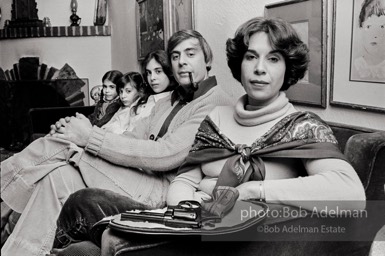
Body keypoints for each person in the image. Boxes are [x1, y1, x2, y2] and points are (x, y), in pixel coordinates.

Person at [0, 29, 232, 256]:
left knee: (62, 145)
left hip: (161, 189)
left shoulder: (214, 102)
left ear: (207, 59)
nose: (182, 61)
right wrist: (80, 135)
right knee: (57, 176)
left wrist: (89, 137)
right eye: (175, 56)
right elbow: (131, 138)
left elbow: (166, 154)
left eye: (191, 54)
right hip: (137, 175)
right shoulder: (167, 101)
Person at [167, 17, 366, 211]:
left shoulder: (302, 126)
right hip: (196, 228)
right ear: (240, 64)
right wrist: (188, 217)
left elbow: (351, 194)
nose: (259, 68)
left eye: (273, 59)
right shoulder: (215, 117)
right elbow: (184, 181)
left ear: (288, 68)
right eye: (251, 57)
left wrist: (254, 190)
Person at [353, 0, 385, 81]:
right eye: (369, 27)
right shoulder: (355, 66)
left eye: (381, 27)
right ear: (361, 28)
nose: (374, 35)